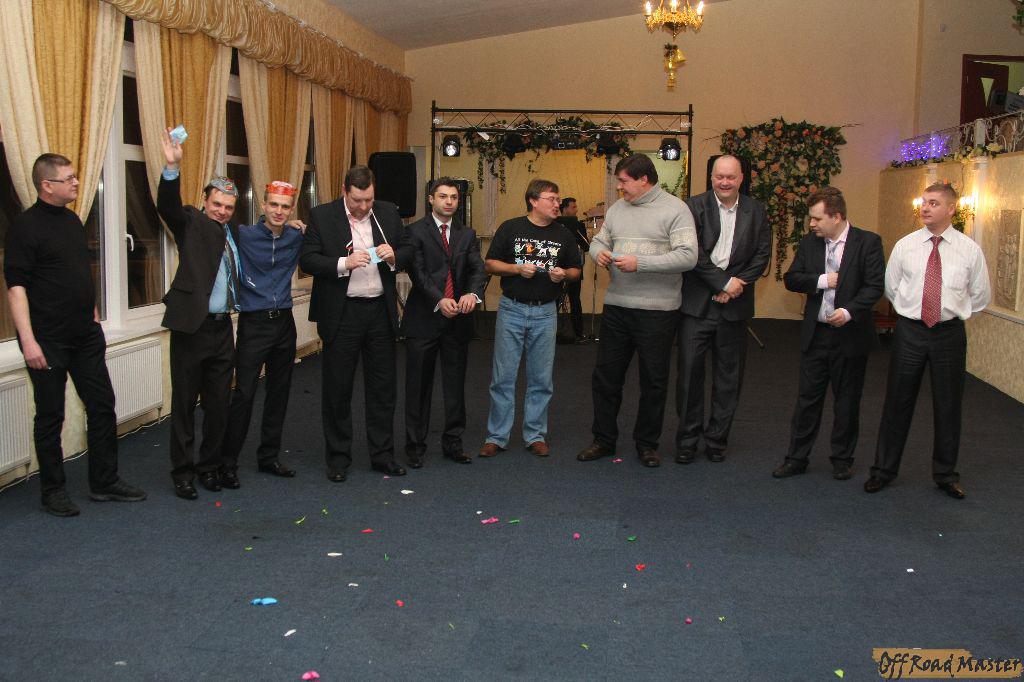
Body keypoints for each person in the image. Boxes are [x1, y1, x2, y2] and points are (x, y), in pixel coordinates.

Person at [4, 154, 146, 516]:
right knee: (50, 416)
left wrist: (93, 307)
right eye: (68, 178)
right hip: (46, 340)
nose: (76, 183)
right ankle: (53, 491)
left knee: (102, 406)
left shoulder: (71, 221)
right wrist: (29, 341)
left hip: (84, 335)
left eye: (75, 177)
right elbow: (16, 289)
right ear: (46, 185)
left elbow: (76, 271)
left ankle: (104, 482)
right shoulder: (24, 227)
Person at [865, 182, 991, 499]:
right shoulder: (906, 246)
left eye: (934, 203)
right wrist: (913, 313)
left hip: (949, 333)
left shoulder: (969, 250)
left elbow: (980, 296)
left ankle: (946, 475)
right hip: (910, 331)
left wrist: (950, 312)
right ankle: (883, 471)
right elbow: (891, 288)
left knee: (948, 405)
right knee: (897, 402)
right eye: (924, 202)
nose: (925, 208)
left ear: (951, 209)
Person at [576, 154, 698, 467]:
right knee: (606, 378)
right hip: (617, 307)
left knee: (653, 381)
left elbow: (688, 257)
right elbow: (597, 242)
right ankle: (603, 440)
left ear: (644, 179)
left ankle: (647, 444)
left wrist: (639, 263)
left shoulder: (676, 210)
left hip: (658, 312)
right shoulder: (617, 209)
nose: (619, 187)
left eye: (624, 181)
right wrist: (599, 253)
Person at [299, 165, 412, 481]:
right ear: (344, 192)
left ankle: (383, 456)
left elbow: (408, 249)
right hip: (342, 312)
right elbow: (307, 259)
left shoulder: (387, 213)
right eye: (357, 200)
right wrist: (342, 263)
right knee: (337, 389)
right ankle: (338, 459)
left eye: (369, 200)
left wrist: (394, 256)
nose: (363, 206)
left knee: (383, 389)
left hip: (379, 312)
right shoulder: (322, 216)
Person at [771, 187, 885, 480]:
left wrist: (848, 312)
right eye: (811, 218)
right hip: (817, 335)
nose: (811, 224)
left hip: (850, 336)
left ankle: (842, 459)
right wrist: (822, 280)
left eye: (817, 218)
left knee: (847, 401)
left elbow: (874, 286)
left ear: (837, 216)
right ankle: (796, 458)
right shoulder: (810, 243)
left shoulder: (868, 242)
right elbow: (792, 279)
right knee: (807, 400)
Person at [157, 128, 242, 500]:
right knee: (184, 405)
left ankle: (209, 467)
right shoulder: (190, 222)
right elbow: (167, 208)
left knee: (219, 405)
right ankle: (182, 473)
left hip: (223, 330)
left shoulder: (232, 234)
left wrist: (290, 225)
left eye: (228, 207)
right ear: (205, 201)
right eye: (217, 204)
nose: (222, 211)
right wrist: (171, 168)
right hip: (191, 329)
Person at [674, 155, 770, 464]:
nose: (724, 182)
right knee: (689, 376)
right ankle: (687, 440)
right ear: (711, 177)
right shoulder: (693, 207)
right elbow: (692, 253)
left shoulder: (756, 210)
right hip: (696, 306)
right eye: (719, 177)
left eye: (730, 177)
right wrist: (722, 283)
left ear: (741, 178)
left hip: (735, 307)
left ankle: (716, 440)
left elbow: (762, 255)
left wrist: (735, 285)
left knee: (729, 378)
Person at [479, 179, 582, 458]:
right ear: (533, 201)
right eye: (551, 199)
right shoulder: (511, 228)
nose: (557, 204)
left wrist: (564, 274)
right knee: (503, 377)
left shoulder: (564, 234)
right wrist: (516, 269)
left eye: (558, 199)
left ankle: (535, 435)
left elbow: (576, 270)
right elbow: (489, 264)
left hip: (546, 312)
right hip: (512, 309)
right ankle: (496, 436)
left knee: (541, 379)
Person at [220, 181, 306, 487]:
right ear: (263, 205)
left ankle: (269, 457)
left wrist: (300, 227)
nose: (279, 211)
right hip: (254, 323)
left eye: (285, 207)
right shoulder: (243, 235)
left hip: (284, 323)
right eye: (274, 205)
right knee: (244, 393)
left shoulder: (296, 236)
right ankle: (227, 463)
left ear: (291, 210)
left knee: (279, 393)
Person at [401, 177, 487, 467]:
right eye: (443, 196)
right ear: (430, 199)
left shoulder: (467, 234)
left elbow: (477, 269)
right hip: (424, 319)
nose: (449, 201)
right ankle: (415, 446)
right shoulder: (414, 231)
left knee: (455, 387)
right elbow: (418, 272)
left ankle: (453, 443)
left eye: (453, 197)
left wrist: (473, 294)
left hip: (458, 322)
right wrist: (440, 299)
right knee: (418, 387)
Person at [556, 196, 590, 342]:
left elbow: (586, 246)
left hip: (571, 266)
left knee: (573, 299)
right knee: (557, 298)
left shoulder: (578, 225)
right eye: (573, 207)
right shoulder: (555, 224)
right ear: (564, 209)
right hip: (559, 267)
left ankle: (578, 333)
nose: (576, 210)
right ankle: (553, 331)